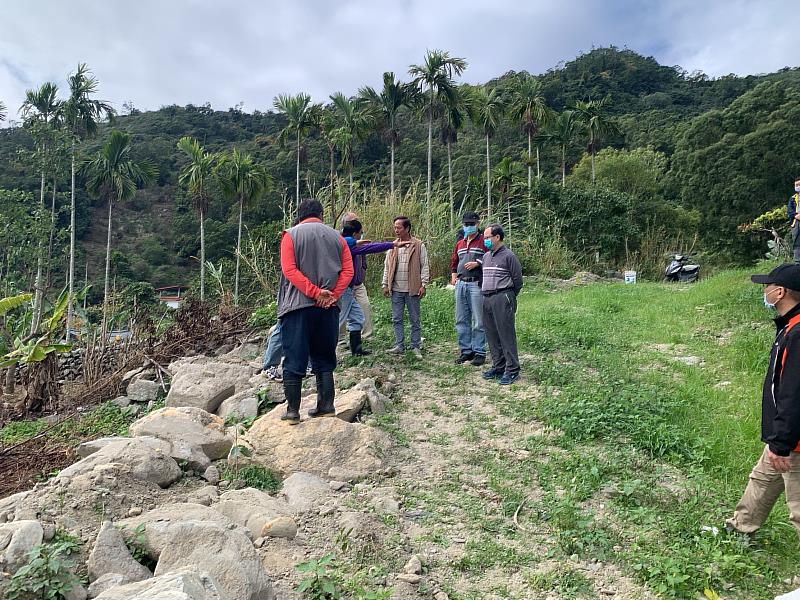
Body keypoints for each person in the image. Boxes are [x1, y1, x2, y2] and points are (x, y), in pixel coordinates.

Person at [726, 263, 800, 538]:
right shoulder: (789, 326)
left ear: (779, 292)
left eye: (766, 286)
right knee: (762, 480)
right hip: (783, 433)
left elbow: (794, 394)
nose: (764, 291)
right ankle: (740, 527)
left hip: (794, 440)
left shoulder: (798, 333)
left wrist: (782, 443)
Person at [277, 198, 353, 424]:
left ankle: (292, 412)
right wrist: (332, 295)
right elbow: (347, 272)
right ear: (321, 215)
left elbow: (289, 269)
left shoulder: (290, 235)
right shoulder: (337, 238)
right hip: (328, 308)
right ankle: (326, 406)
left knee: (294, 358)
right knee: (324, 357)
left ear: (299, 215)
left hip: (297, 307)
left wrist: (313, 292)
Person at [340, 219, 408, 356]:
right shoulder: (347, 245)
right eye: (360, 233)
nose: (361, 236)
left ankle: (356, 350)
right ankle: (320, 355)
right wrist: (391, 245)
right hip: (343, 289)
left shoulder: (348, 244)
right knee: (337, 321)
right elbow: (369, 248)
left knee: (358, 316)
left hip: (350, 288)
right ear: (354, 234)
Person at [480, 224, 523, 385]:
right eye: (484, 238)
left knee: (506, 334)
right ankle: (498, 366)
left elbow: (518, 280)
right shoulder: (486, 256)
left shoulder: (508, 256)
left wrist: (509, 296)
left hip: (502, 296)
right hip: (487, 297)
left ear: (497, 237)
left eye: (487, 237)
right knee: (492, 334)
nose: (485, 240)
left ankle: (512, 370)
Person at [382, 216, 430, 359]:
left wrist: (423, 284)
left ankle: (415, 346)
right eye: (395, 227)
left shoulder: (418, 245)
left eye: (399, 227)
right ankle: (399, 345)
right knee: (397, 318)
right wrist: (385, 284)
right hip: (396, 289)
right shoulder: (393, 246)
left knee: (414, 318)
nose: (396, 230)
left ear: (407, 228)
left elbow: (424, 265)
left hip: (412, 289)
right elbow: (387, 267)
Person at [450, 211, 487, 366]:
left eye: (472, 224)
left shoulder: (484, 241)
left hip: (476, 283)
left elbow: (491, 258)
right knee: (461, 319)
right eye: (466, 224)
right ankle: (466, 351)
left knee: (478, 320)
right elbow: (454, 262)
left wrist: (478, 263)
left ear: (478, 224)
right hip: (461, 283)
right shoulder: (460, 243)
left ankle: (479, 351)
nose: (469, 227)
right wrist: (453, 275)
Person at [341, 211, 374, 339]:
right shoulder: (342, 239)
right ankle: (341, 340)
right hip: (345, 285)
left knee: (365, 306)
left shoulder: (359, 236)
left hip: (358, 282)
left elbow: (364, 253)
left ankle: (366, 336)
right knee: (342, 313)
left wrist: (363, 269)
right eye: (352, 221)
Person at [788, 177, 800, 262]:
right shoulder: (792, 198)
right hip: (796, 223)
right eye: (796, 185)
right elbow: (789, 211)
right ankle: (797, 262)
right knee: (796, 242)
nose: (798, 186)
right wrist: (796, 215)